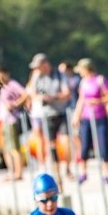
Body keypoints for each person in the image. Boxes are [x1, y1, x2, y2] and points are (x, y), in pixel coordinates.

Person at [26, 53, 72, 183]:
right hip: (46, 114)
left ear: (45, 64)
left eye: (38, 66)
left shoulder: (59, 74)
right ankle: (56, 172)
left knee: (65, 140)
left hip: (61, 112)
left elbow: (67, 94)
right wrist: (41, 98)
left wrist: (53, 97)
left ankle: (67, 168)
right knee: (50, 144)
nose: (37, 69)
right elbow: (32, 93)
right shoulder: (36, 76)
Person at [71, 58, 108, 185]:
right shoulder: (83, 83)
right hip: (86, 118)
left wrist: (98, 101)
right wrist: (76, 115)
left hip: (100, 117)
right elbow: (81, 100)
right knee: (84, 147)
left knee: (103, 147)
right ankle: (83, 173)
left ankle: (105, 175)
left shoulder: (100, 80)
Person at [0, 65, 29, 181]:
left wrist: (15, 104)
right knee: (6, 148)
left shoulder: (12, 84)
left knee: (14, 148)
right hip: (4, 121)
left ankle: (19, 172)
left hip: (12, 120)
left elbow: (25, 94)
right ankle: (11, 171)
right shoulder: (3, 88)